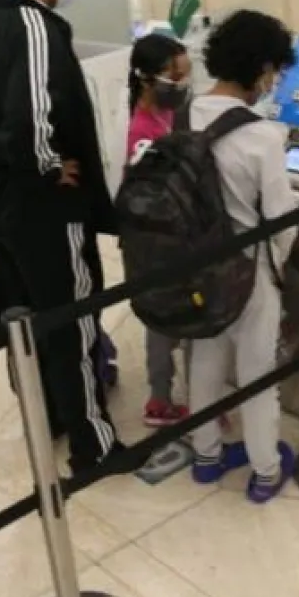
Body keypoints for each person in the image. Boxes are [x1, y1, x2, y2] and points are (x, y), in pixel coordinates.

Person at [0, 0, 124, 476]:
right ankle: (92, 445)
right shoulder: (35, 27)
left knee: (27, 318)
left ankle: (49, 413)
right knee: (71, 320)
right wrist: (52, 165)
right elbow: (30, 117)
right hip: (43, 209)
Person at [185, 10, 299, 503]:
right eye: (274, 72)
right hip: (248, 269)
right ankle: (266, 469)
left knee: (206, 359)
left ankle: (207, 456)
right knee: (257, 374)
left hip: (194, 264)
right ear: (262, 67)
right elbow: (282, 221)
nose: (272, 82)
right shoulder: (261, 137)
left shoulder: (184, 113)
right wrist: (277, 271)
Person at [124, 33, 194, 427]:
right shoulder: (142, 131)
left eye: (184, 75)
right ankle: (160, 400)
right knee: (163, 319)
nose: (181, 84)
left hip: (163, 235)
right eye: (174, 76)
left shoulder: (161, 115)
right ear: (147, 77)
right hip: (155, 241)